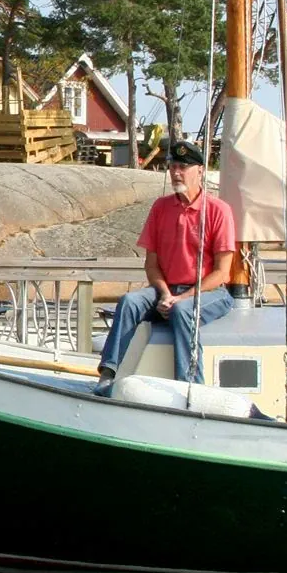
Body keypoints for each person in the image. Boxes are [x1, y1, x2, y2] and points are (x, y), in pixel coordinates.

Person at [96, 139, 237, 394]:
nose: (176, 172)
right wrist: (164, 293)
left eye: (183, 166)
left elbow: (222, 273)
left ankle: (191, 387)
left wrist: (180, 297)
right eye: (173, 166)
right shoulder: (161, 208)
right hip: (167, 288)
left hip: (208, 292)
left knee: (183, 311)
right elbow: (151, 264)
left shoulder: (218, 210)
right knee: (130, 301)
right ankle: (108, 374)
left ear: (200, 171)